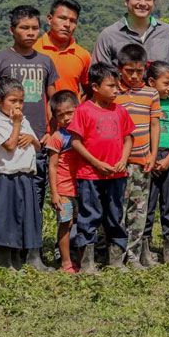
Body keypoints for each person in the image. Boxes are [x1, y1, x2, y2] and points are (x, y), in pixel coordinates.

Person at [0, 5, 58, 270]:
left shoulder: (46, 61)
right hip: (7, 145)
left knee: (34, 200)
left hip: (35, 141)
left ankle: (32, 255)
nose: (30, 32)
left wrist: (49, 131)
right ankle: (8, 256)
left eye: (35, 28)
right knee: (7, 201)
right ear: (12, 29)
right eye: (24, 27)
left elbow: (52, 100)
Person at [69, 63, 135, 274]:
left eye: (117, 86)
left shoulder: (120, 111)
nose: (116, 90)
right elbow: (76, 142)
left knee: (115, 216)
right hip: (90, 175)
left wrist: (124, 159)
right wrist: (97, 163)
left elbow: (128, 137)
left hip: (117, 174)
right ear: (95, 87)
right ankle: (87, 264)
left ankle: (116, 260)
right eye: (111, 86)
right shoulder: (83, 110)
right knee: (89, 216)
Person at [0, 77, 44, 270]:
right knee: (6, 218)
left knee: (24, 217)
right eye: (13, 101)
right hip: (8, 177)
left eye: (21, 101)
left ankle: (20, 260)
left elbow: (37, 146)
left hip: (26, 176)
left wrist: (30, 137)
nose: (18, 105)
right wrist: (17, 124)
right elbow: (10, 146)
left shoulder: (24, 121)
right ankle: (4, 262)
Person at [113, 44, 161, 268]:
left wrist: (152, 153)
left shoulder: (151, 94)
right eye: (129, 70)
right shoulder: (113, 93)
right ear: (119, 68)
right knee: (118, 210)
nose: (134, 75)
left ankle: (134, 255)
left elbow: (154, 123)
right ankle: (116, 255)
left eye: (139, 71)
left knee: (138, 212)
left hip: (142, 162)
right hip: (118, 163)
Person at [142, 61, 169, 266]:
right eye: (166, 83)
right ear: (151, 82)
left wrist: (167, 159)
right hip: (148, 158)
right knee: (147, 205)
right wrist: (151, 156)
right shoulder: (146, 102)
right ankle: (145, 249)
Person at [92, 0, 169, 66]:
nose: (143, 3)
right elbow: (98, 75)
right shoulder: (109, 36)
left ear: (154, 1)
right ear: (126, 0)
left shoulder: (167, 32)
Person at [46, 89, 81, 273]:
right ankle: (66, 262)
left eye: (70, 113)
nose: (66, 118)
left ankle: (80, 259)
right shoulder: (57, 137)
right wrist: (54, 192)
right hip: (64, 190)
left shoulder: (83, 133)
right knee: (65, 224)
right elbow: (52, 166)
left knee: (80, 223)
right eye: (61, 115)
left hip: (81, 187)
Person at [37, 0, 91, 97]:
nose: (67, 24)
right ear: (50, 19)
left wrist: (77, 108)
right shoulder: (33, 50)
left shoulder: (83, 55)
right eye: (62, 18)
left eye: (72, 21)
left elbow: (90, 92)